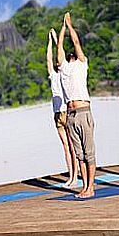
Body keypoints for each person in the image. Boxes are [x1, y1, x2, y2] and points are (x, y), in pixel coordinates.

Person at [57, 12, 96, 199]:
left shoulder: (82, 64)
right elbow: (59, 49)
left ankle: (91, 187)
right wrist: (62, 29)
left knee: (89, 152)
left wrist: (70, 26)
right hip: (70, 114)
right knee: (79, 154)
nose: (71, 54)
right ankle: (85, 186)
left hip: (83, 111)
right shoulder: (64, 68)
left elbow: (77, 43)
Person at [47, 28, 78, 188]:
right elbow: (49, 59)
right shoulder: (54, 75)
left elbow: (61, 54)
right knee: (66, 147)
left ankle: (75, 176)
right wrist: (51, 41)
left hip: (66, 111)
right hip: (57, 113)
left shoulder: (66, 73)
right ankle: (71, 176)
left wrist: (57, 39)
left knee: (72, 146)